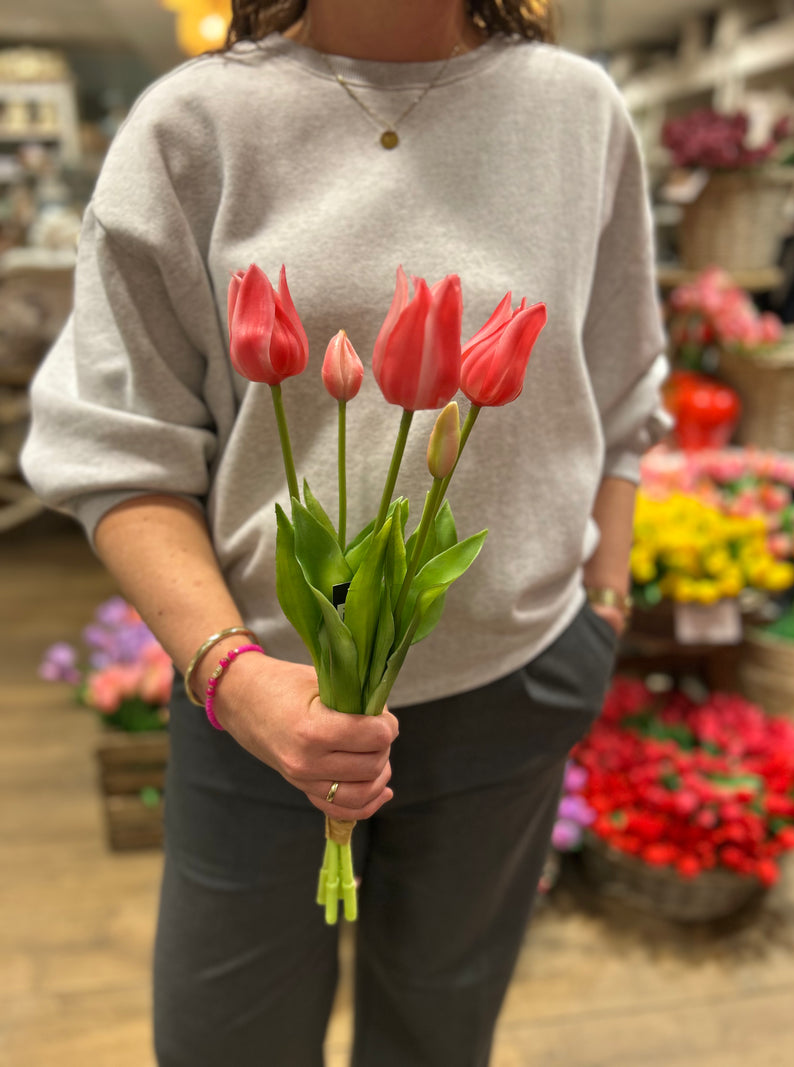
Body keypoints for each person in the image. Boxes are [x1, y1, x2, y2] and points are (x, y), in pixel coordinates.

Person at [22, 1, 670, 1064]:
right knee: (226, 1040)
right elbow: (120, 446)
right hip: (256, 694)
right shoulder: (193, 125)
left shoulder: (575, 112)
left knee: (440, 1031)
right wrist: (232, 676)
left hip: (514, 684)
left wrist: (602, 604)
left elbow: (621, 384)